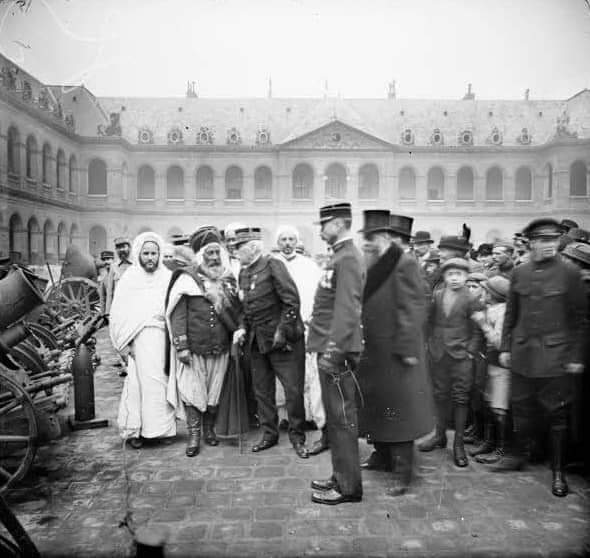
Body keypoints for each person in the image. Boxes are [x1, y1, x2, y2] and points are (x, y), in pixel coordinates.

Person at [495, 218, 587, 497]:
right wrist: (506, 348)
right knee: (520, 408)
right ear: (531, 242)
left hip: (555, 357)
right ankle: (518, 455)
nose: (549, 246)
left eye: (553, 240)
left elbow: (581, 320)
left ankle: (557, 472)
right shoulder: (520, 273)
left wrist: (575, 355)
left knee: (557, 415)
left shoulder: (570, 273)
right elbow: (511, 314)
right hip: (523, 353)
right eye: (542, 241)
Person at [358, 210, 433, 496]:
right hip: (374, 350)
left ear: (387, 238)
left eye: (373, 237)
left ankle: (404, 470)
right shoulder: (375, 262)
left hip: (397, 352)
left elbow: (413, 308)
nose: (368, 242)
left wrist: (405, 348)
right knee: (377, 408)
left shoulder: (405, 262)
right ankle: (381, 455)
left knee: (399, 413)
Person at [231, 227, 309, 459]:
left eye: (239, 248)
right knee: (262, 391)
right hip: (257, 342)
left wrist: (282, 332)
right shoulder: (243, 273)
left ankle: (297, 436)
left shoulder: (273, 265)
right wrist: (242, 327)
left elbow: (292, 301)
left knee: (293, 391)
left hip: (283, 341)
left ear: (253, 248)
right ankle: (269, 433)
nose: (235, 252)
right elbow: (244, 307)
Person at [307, 202, 365, 506]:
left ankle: (348, 487)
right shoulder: (340, 256)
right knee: (336, 417)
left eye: (324, 224)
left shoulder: (348, 258)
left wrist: (334, 349)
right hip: (330, 346)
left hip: (336, 350)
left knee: (342, 420)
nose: (321, 230)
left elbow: (347, 309)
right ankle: (340, 475)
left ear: (340, 223)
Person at [166, 226, 240, 457]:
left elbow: (236, 312)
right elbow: (177, 315)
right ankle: (195, 435)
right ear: (200, 256)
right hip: (194, 348)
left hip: (221, 346)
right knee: (191, 391)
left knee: (214, 391)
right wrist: (182, 346)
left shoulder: (228, 278)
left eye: (218, 253)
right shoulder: (187, 278)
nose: (216, 258)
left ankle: (209, 430)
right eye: (210, 253)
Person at [109, 231, 176, 448]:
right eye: (146, 253)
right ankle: (135, 430)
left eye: (154, 253)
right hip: (138, 340)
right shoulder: (129, 278)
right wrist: (125, 345)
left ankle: (158, 430)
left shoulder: (167, 277)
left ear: (159, 254)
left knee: (159, 384)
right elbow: (118, 311)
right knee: (137, 385)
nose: (150, 258)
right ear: (139, 254)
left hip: (161, 338)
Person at [418, 257, 482, 467]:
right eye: (450, 274)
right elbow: (428, 322)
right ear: (444, 277)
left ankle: (459, 445)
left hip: (461, 356)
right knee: (439, 395)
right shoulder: (437, 296)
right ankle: (439, 436)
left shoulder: (471, 298)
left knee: (461, 397)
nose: (455, 279)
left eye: (460, 274)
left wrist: (470, 352)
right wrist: (427, 344)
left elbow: (478, 329)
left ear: (466, 277)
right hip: (438, 354)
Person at [274, 225, 325, 446]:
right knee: (286, 373)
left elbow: (316, 294)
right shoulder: (272, 264)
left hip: (304, 323)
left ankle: (310, 416)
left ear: (297, 242)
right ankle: (287, 417)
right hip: (281, 326)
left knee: (307, 371)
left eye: (291, 239)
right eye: (283, 239)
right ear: (278, 243)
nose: (287, 243)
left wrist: (310, 316)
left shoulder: (309, 266)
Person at [470, 276, 511, 465]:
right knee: (489, 404)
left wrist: (484, 325)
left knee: (499, 408)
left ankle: (502, 448)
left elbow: (499, 342)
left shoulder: (502, 313)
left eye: (485, 291)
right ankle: (489, 442)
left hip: (500, 366)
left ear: (493, 295)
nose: (482, 293)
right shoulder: (490, 309)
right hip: (490, 364)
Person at [104, 237, 132, 315]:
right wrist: (108, 312)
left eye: (123, 247)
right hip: (118, 309)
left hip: (134, 308)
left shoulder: (136, 265)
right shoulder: (113, 267)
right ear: (116, 250)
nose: (121, 250)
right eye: (118, 247)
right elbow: (109, 292)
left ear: (129, 248)